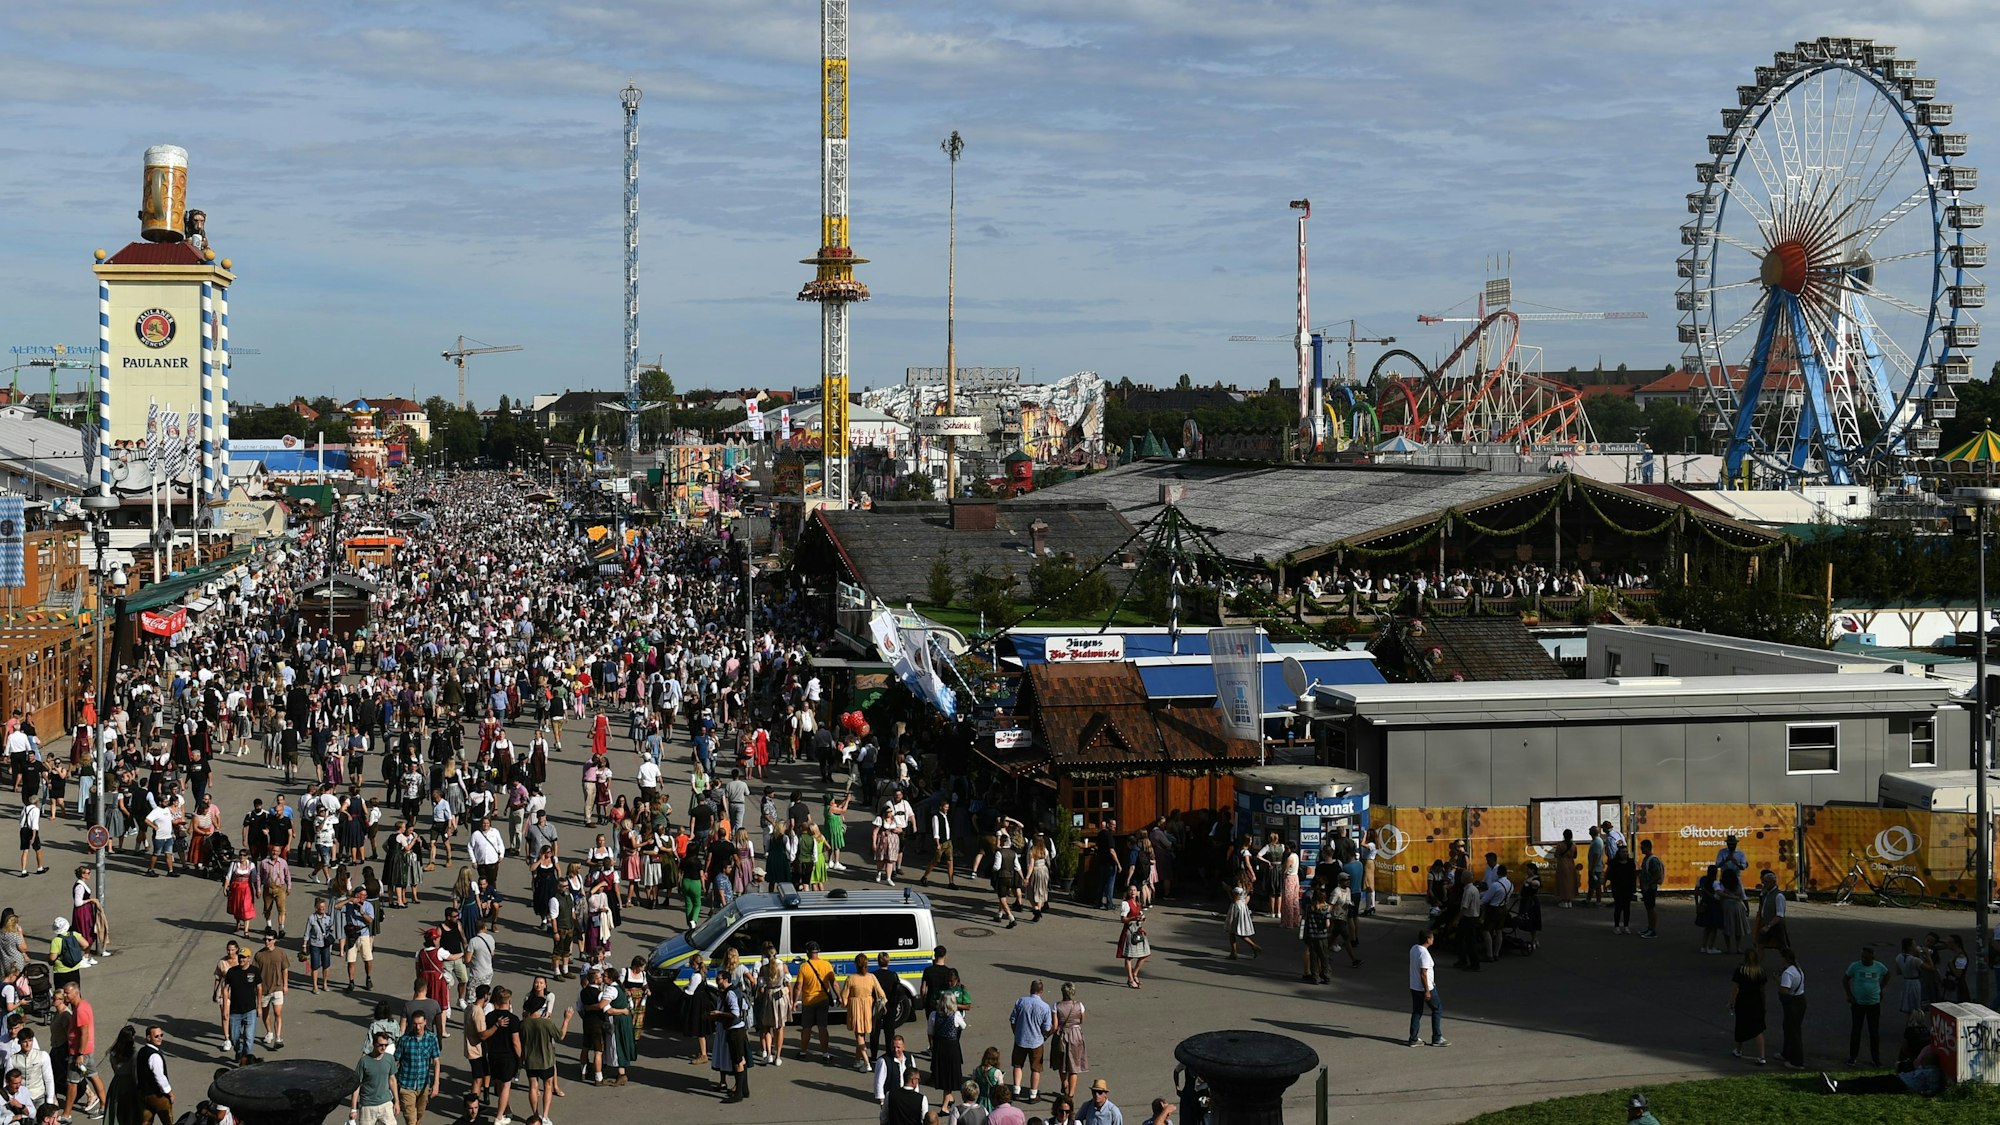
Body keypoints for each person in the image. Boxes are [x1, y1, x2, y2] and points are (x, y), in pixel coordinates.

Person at [1822, 1025, 1945, 1097]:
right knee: (1870, 1082)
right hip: (1901, 1080)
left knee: (1871, 1085)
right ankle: (1838, 1084)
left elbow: (1930, 1090)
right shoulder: (1926, 1070)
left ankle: (1838, 1086)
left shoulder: (1930, 1073)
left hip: (1902, 1084)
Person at [1844, 945, 1889, 1066]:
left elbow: (1887, 974)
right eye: (1862, 957)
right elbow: (1845, 979)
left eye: (1867, 958)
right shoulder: (1855, 966)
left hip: (1874, 1004)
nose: (1864, 960)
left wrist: (1882, 988)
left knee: (1874, 1032)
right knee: (1856, 1031)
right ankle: (1853, 1056)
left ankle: (1876, 1058)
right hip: (1858, 1004)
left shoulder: (1879, 967)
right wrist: (1850, 995)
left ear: (1873, 957)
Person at [1008, 981, 1052, 1104]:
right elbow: (1047, 1028)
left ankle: (1016, 1090)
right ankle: (1033, 1094)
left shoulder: (1021, 1001)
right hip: (1036, 1041)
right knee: (1036, 1068)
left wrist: (1016, 1032)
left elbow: (1012, 1020)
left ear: (1030, 989)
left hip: (1020, 1038)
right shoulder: (1045, 1007)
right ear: (1041, 991)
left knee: (1017, 1065)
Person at [394, 1012, 441, 1125]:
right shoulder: (405, 1040)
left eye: (420, 1023)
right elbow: (396, 1060)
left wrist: (436, 1084)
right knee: (411, 1120)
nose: (418, 1027)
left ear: (425, 1022)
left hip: (423, 1085)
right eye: (415, 1024)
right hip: (406, 1085)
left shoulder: (431, 1038)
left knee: (419, 1116)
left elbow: (436, 1061)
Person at [844, 954, 887, 1072]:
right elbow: (882, 994)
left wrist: (845, 1004)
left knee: (858, 1035)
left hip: (855, 1007)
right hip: (868, 1007)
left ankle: (866, 1062)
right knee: (862, 1035)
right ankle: (857, 1060)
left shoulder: (851, 978)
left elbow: (844, 998)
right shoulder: (871, 977)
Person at [250, 929, 291, 1049]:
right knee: (265, 1013)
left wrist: (285, 985)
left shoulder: (281, 953)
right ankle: (269, 1032)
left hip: (277, 987)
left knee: (277, 1013)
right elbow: (254, 972)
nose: (266, 942)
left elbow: (285, 969)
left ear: (275, 940)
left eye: (269, 940)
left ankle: (278, 1038)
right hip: (263, 989)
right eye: (265, 939)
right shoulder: (259, 955)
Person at [1727, 947, 1767, 1065]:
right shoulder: (1760, 971)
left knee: (1740, 1025)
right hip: (1757, 1003)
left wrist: (1731, 1002)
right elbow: (1762, 990)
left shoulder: (1740, 971)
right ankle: (1762, 1056)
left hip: (1743, 1002)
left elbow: (1735, 988)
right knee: (1758, 1029)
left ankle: (1738, 1050)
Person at [349, 1030, 397, 1125]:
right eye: (380, 1045)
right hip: (368, 1106)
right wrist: (353, 1109)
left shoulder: (389, 1059)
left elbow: (392, 1080)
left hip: (386, 1104)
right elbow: (356, 1085)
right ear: (374, 1044)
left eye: (386, 1045)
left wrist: (397, 1101)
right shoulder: (364, 1061)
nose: (383, 1048)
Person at [1406, 928, 1445, 1047]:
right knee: (1437, 1009)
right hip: (1425, 988)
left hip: (1414, 986)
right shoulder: (1424, 954)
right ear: (1428, 940)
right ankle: (1437, 1037)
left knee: (1417, 1011)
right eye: (1432, 937)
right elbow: (1423, 973)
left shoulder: (1414, 948)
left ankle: (1413, 1038)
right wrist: (1427, 990)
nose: (1433, 939)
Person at [1052, 982, 1086, 1103]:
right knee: (1074, 1066)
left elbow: (1055, 1025)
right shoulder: (1079, 1005)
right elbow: (1081, 1020)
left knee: (1062, 1063)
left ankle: (1064, 1082)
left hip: (1061, 1035)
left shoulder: (1056, 1006)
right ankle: (1070, 1095)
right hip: (1075, 1035)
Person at [1777, 947, 1807, 1069]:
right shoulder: (1797, 969)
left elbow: (1784, 990)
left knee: (1793, 1031)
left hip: (1793, 1003)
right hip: (1800, 999)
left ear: (1785, 958)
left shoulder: (1787, 973)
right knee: (1789, 1028)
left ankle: (1797, 1061)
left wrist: (1777, 982)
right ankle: (1787, 1053)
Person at [134, 1027, 170, 1125]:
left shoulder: (142, 1051)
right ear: (149, 1037)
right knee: (168, 1121)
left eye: (161, 1035)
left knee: (146, 1121)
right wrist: (169, 1092)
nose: (160, 1038)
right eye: (156, 1036)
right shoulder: (155, 1056)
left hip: (143, 1094)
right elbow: (160, 1077)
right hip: (157, 1096)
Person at [1115, 892, 1150, 988]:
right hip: (1129, 931)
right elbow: (1123, 919)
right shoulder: (1126, 904)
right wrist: (1133, 918)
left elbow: (1141, 915)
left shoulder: (1138, 903)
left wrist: (1142, 919)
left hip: (1138, 930)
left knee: (1145, 954)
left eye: (1134, 890)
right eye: (1131, 890)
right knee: (1128, 956)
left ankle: (1134, 973)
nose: (1133, 892)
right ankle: (1130, 979)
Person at [1606, 845, 1637, 935]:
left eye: (1626, 852)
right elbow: (1610, 875)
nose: (1625, 854)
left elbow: (1633, 876)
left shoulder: (1631, 863)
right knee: (1618, 907)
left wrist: (1633, 888)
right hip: (1617, 888)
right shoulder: (1614, 863)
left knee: (1627, 908)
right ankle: (1617, 926)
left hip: (1628, 888)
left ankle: (1626, 926)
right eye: (1623, 852)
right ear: (1619, 853)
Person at [1754, 869, 1788, 950]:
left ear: (1773, 882)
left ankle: (1793, 962)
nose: (1764, 884)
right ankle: (1756, 962)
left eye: (1767, 882)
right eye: (1764, 882)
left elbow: (1779, 915)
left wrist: (1768, 926)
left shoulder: (1778, 896)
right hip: (1765, 924)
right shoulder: (1766, 893)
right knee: (1760, 945)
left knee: (1783, 948)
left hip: (1776, 926)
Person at [1636, 840, 1664, 938]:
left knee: (1651, 909)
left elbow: (1657, 875)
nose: (1641, 849)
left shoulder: (1652, 860)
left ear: (1648, 848)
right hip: (1646, 888)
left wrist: (1648, 884)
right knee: (1648, 908)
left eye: (1642, 848)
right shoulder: (1646, 859)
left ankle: (1653, 930)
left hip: (1650, 888)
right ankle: (1650, 928)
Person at [1225, 887, 1259, 960]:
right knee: (1234, 931)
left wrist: (1228, 891)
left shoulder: (1238, 888)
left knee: (1233, 931)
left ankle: (1253, 946)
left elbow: (1234, 900)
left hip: (1236, 907)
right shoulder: (1248, 885)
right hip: (1242, 906)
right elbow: (1247, 897)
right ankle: (1233, 952)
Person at [1550, 829, 1578, 908]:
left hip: (1562, 865)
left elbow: (1556, 855)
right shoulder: (1574, 845)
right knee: (1570, 883)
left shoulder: (1560, 845)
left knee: (1563, 883)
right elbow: (1575, 856)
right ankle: (1569, 901)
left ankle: (1564, 900)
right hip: (1571, 865)